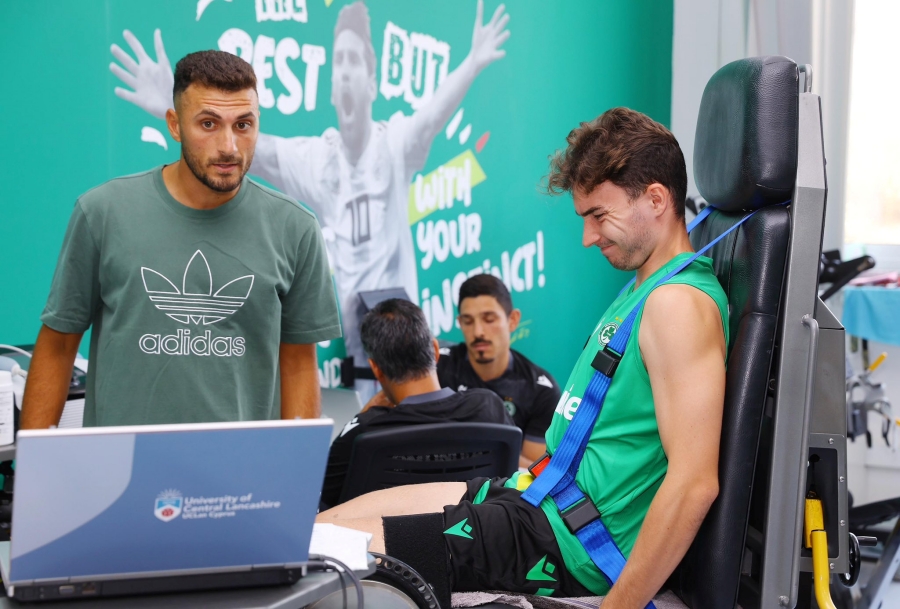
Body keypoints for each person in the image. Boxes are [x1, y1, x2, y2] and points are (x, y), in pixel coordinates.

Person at [318, 107, 728, 607]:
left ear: (657, 199)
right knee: (323, 528)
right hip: (533, 496)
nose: (588, 237)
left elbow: (693, 483)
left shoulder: (678, 305)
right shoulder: (647, 289)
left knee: (328, 556)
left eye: (599, 216)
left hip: (563, 544)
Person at [108, 1, 511, 396]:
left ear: (371, 82)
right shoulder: (317, 161)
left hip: (406, 356)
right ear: (332, 89)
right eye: (339, 64)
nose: (345, 73)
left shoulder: (395, 145)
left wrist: (473, 62)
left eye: (354, 61)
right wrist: (171, 103)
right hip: (358, 359)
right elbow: (245, 145)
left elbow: (433, 115)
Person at [21, 51, 341, 429]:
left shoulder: (296, 228)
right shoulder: (103, 213)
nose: (229, 146)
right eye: (208, 123)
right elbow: (58, 346)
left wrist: (296, 463)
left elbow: (299, 362)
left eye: (243, 124)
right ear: (174, 125)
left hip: (243, 464)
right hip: (124, 462)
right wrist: (33, 459)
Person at [321, 298, 512, 508]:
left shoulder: (365, 431)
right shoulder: (488, 407)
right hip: (476, 528)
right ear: (435, 350)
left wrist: (362, 417)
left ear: (376, 369)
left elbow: (320, 494)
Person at [437, 274, 560, 468]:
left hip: (501, 486)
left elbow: (532, 472)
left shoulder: (541, 391)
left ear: (513, 320)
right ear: (459, 323)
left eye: (489, 319)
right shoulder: (436, 367)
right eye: (468, 321)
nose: (478, 332)